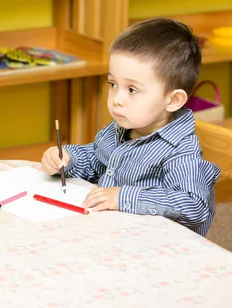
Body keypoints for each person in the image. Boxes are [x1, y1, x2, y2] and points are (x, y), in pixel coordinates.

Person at [40, 18, 220, 236]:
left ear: (172, 101)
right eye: (113, 84)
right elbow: (97, 159)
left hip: (156, 248)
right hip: (112, 232)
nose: (117, 99)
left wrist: (123, 197)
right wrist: (67, 159)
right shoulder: (122, 127)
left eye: (132, 90)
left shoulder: (181, 151)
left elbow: (193, 205)